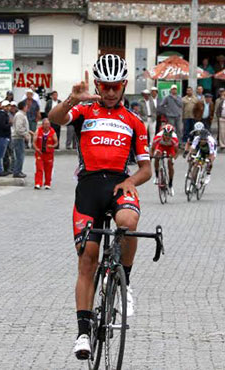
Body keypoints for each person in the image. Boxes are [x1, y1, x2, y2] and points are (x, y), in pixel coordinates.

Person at [48, 54, 151, 360]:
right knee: (88, 260)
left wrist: (131, 181)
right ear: (97, 85)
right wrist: (70, 99)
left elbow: (146, 169)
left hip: (120, 185)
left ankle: (125, 282)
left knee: (129, 221)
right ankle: (83, 332)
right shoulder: (82, 110)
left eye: (115, 86)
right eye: (104, 86)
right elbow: (55, 118)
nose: (109, 92)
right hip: (89, 188)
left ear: (124, 85)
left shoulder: (134, 121)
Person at [150, 123, 179, 195]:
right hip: (161, 146)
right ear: (163, 134)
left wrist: (173, 159)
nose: (167, 138)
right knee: (157, 156)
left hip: (170, 148)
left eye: (169, 136)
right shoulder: (158, 137)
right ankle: (157, 176)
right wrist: (151, 157)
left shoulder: (174, 139)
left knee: (170, 163)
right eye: (165, 135)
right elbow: (152, 149)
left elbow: (177, 152)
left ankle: (170, 184)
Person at [33, 118, 58, 189]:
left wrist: (52, 146)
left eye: (48, 124)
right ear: (42, 124)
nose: (47, 126)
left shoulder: (52, 132)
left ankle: (47, 183)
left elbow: (56, 143)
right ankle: (38, 183)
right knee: (39, 168)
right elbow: (34, 142)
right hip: (39, 153)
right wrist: (37, 149)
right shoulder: (38, 130)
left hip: (49, 154)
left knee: (48, 169)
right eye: (46, 124)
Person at [12, 101, 30, 178]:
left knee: (20, 155)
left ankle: (19, 170)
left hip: (20, 137)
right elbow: (19, 128)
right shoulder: (20, 115)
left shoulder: (22, 115)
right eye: (26, 106)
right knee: (19, 155)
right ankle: (17, 171)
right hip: (18, 137)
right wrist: (25, 134)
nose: (27, 108)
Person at [0, 100, 12, 176]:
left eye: (9, 106)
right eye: (7, 106)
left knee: (2, 154)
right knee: (0, 155)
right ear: (3, 107)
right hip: (2, 136)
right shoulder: (1, 115)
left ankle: (1, 169)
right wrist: (10, 124)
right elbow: (2, 126)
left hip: (4, 136)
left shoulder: (4, 115)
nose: (8, 108)